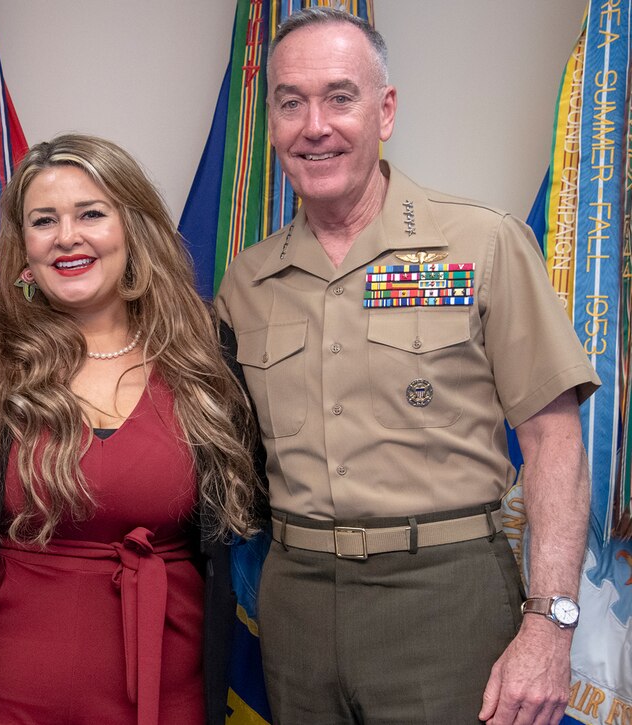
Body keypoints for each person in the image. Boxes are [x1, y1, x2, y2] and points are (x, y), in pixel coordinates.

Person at [215, 8, 600, 725]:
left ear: (385, 110)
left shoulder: (480, 245)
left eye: (340, 96)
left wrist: (550, 622)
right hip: (296, 599)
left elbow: (555, 440)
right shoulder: (248, 281)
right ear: (271, 124)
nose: (314, 125)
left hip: (445, 595)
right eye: (291, 103)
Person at [0, 133, 259, 724]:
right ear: (23, 248)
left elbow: (252, 512)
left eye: (91, 213)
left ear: (133, 229)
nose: (67, 237)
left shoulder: (207, 357)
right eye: (43, 220)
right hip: (6, 694)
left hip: (167, 692)